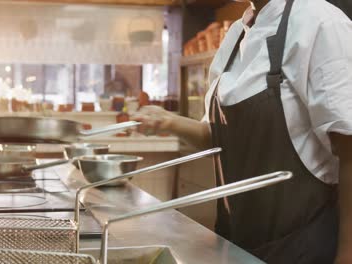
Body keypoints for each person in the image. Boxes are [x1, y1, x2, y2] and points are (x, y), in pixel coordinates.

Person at [133, 0, 352, 263]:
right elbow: (224, 139)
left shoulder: (320, 23)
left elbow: (349, 147)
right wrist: (168, 122)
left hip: (302, 249)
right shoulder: (237, 34)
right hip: (235, 247)